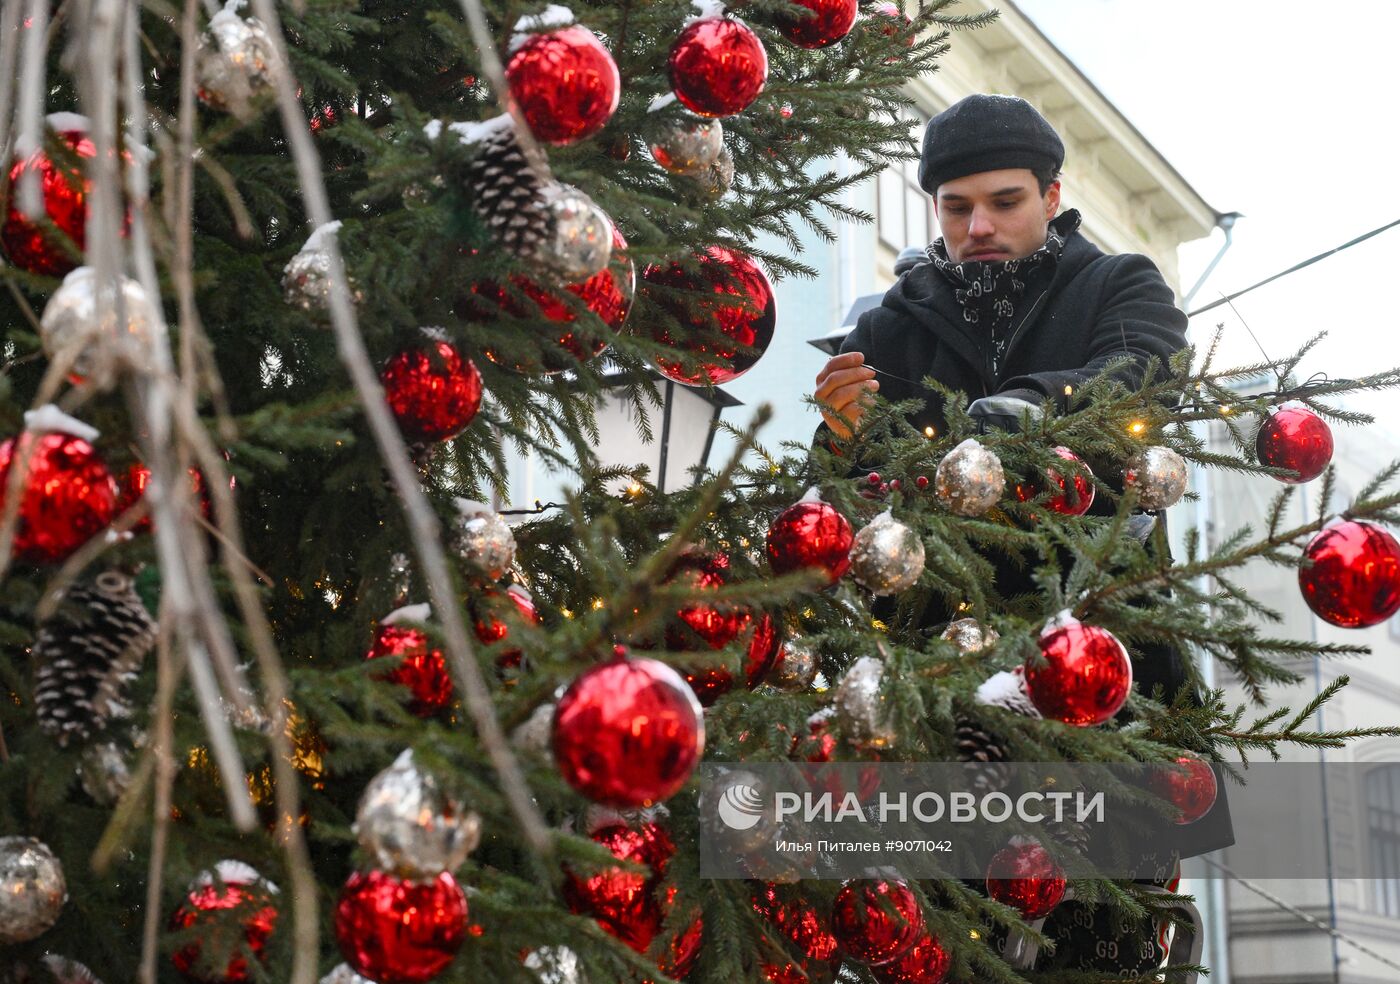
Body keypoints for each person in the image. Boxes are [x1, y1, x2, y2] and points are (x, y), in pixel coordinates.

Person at [812, 93, 1232, 965]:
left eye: (1004, 201)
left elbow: (1139, 377)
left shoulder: (1120, 284)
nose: (979, 225)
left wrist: (1011, 416)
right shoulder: (891, 325)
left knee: (1102, 948)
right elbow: (851, 506)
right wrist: (842, 439)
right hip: (939, 698)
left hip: (1106, 684)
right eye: (956, 205)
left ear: (1052, 194)